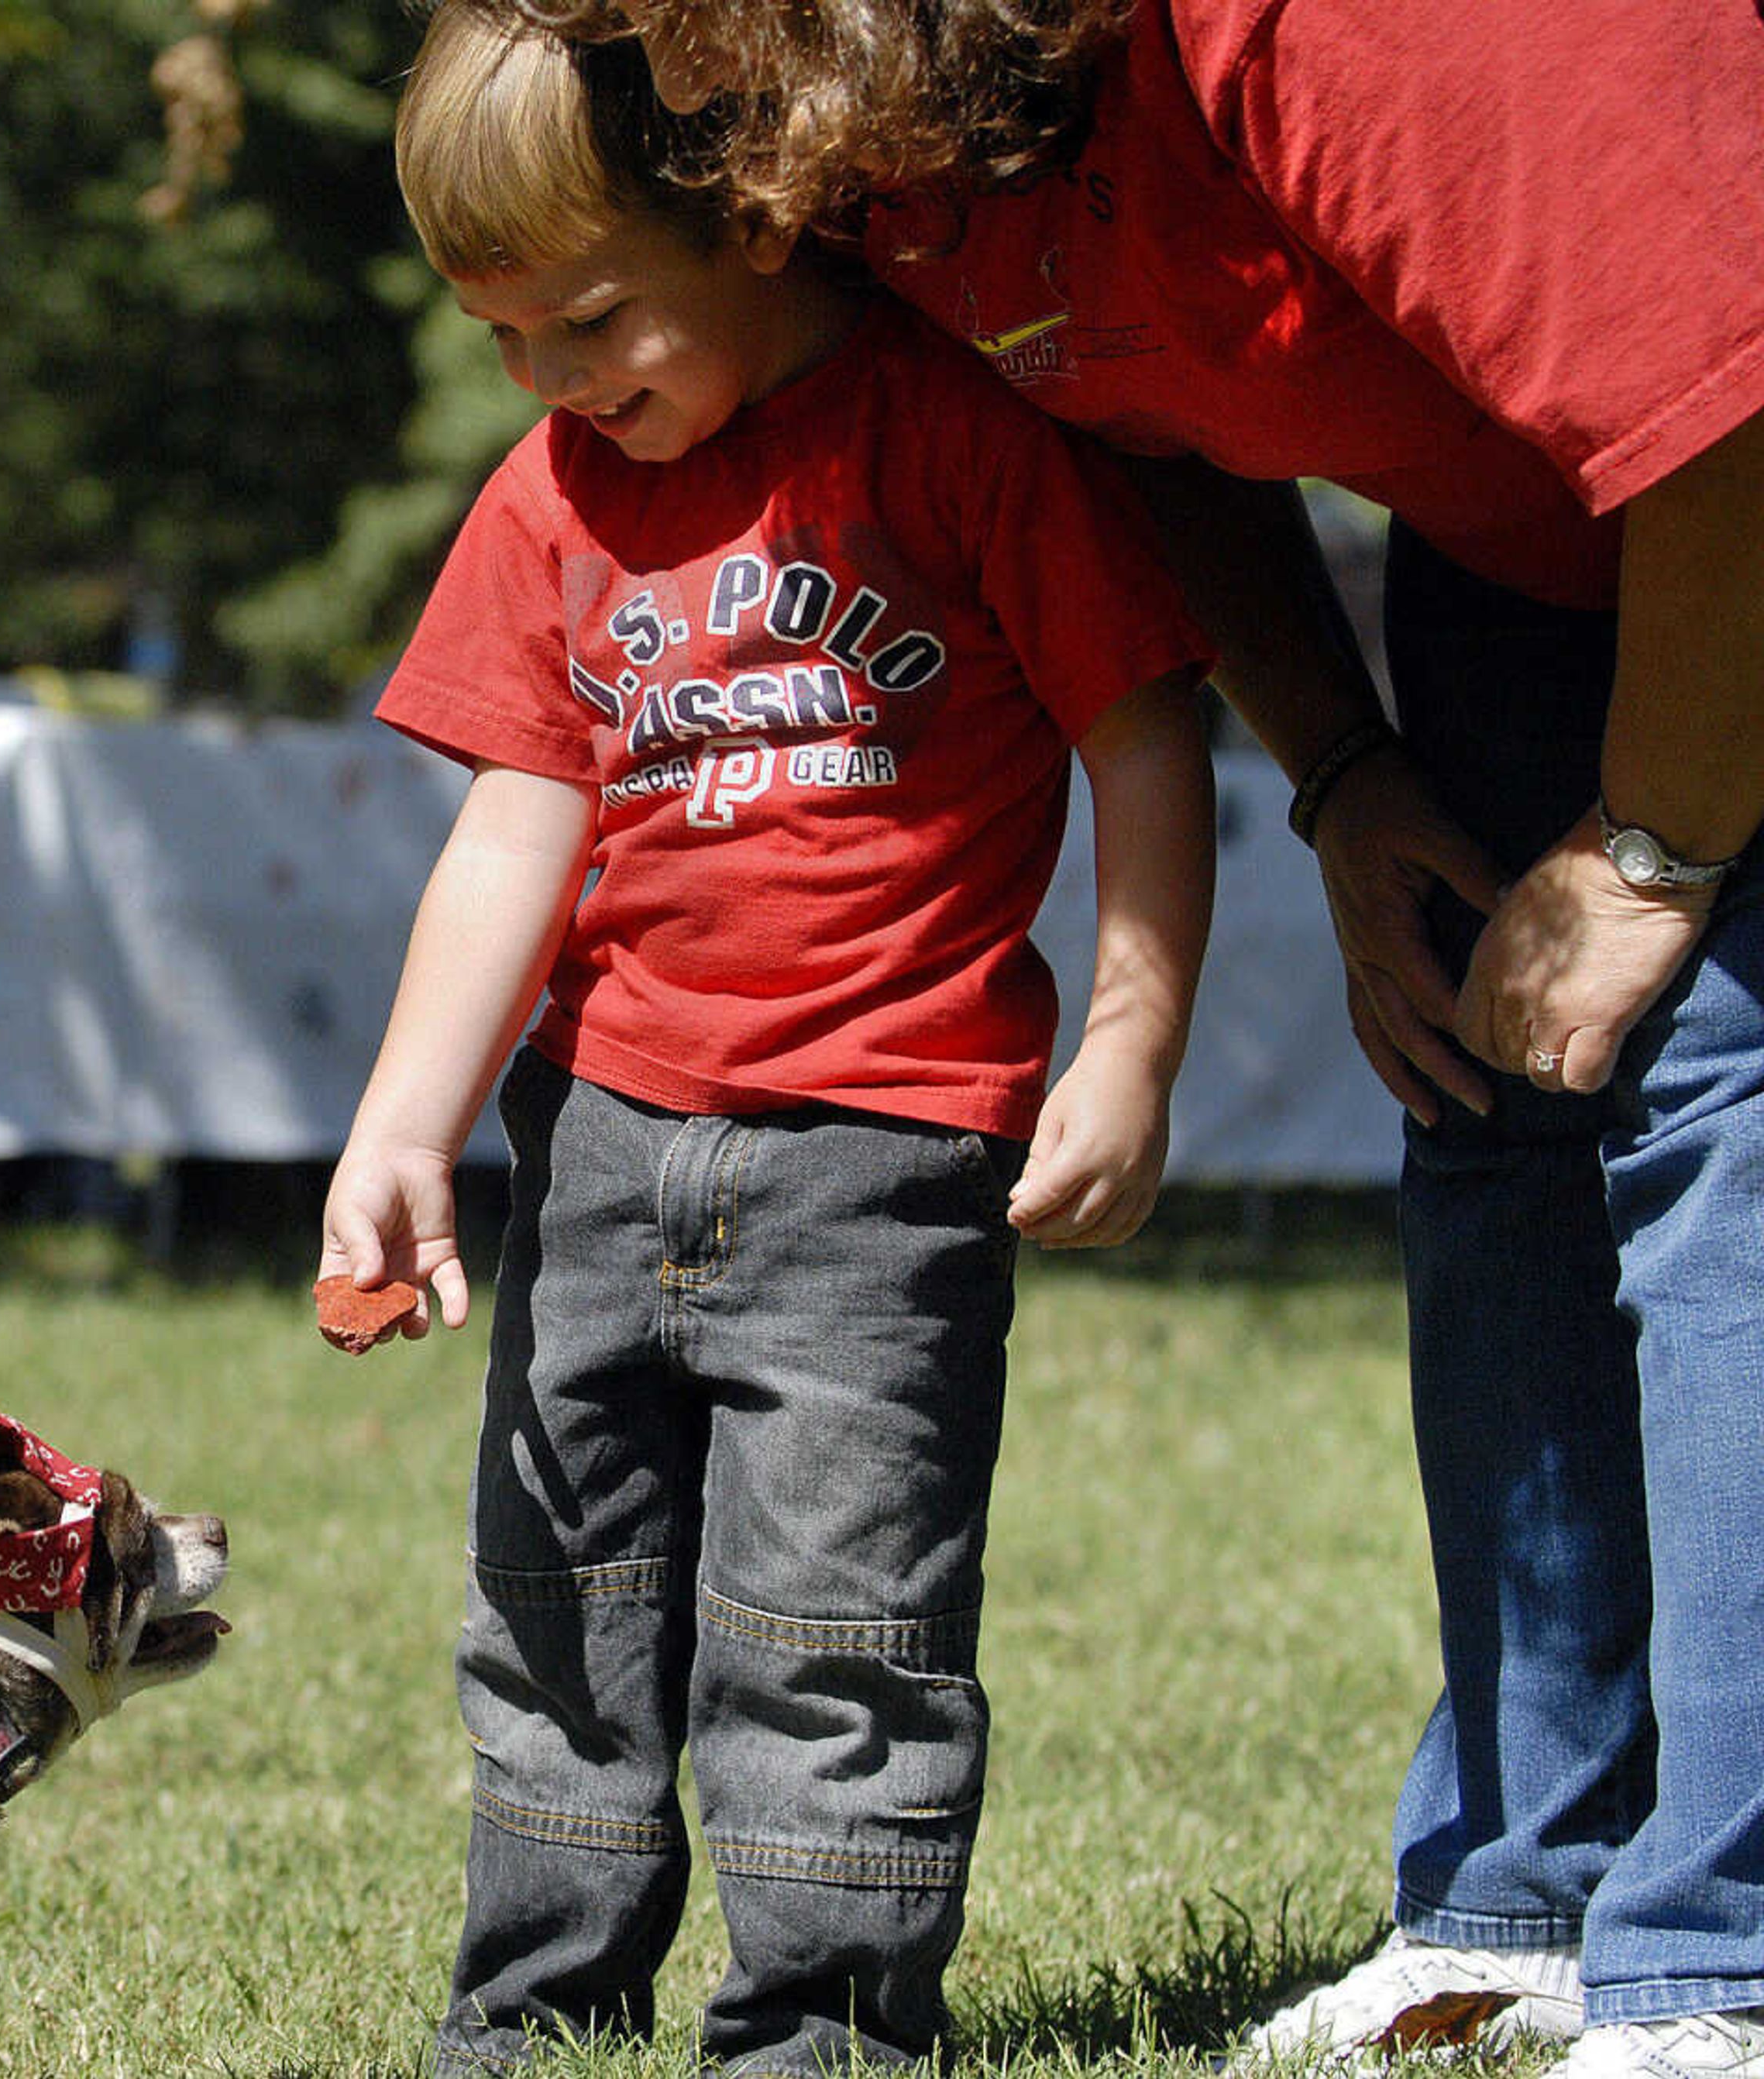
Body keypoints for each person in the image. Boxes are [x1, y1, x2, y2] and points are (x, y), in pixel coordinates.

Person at [490, 0, 1764, 2070]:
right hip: (1530, 543)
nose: (667, 87)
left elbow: (1727, 411)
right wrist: (1345, 773)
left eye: (667, 27)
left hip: (1725, 496)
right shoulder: (875, 127)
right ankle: (1529, 1892)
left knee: (1721, 1106)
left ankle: (1728, 1945)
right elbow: (1125, 429)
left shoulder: (1379, 31)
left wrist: (1646, 850)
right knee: (1497, 1110)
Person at [318, 6, 1217, 2067]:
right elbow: (517, 819)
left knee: (837, 1632)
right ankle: (537, 2011)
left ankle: (817, 2027)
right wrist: (405, 1123)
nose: (551, 380)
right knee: (559, 1595)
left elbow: (1143, 731)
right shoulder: (555, 495)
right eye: (505, 342)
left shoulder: (961, 436)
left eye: (592, 318)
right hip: (605, 1133)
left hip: (880, 1155)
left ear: (751, 215)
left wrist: (1132, 1043)